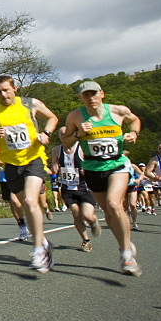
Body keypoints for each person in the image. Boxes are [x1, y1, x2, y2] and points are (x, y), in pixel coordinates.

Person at [60, 81, 142, 276]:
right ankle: (124, 242)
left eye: (93, 94)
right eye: (86, 95)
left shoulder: (118, 111)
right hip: (92, 168)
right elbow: (65, 140)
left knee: (115, 205)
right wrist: (80, 133)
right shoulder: (75, 116)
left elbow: (135, 120)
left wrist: (133, 133)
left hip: (117, 164)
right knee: (108, 212)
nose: (90, 98)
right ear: (81, 98)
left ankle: (126, 255)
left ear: (102, 94)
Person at [0, 75, 58, 272]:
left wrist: (46, 134)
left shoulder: (30, 104)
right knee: (26, 205)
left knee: (32, 201)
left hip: (33, 158)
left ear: (14, 88)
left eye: (6, 90)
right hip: (11, 164)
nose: (2, 94)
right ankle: (43, 243)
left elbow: (52, 118)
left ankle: (39, 248)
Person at [49, 127, 101, 252]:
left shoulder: (82, 147)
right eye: (61, 134)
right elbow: (54, 165)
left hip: (84, 187)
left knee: (87, 215)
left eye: (65, 134)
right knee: (76, 214)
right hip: (67, 187)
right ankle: (86, 240)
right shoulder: (56, 150)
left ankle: (93, 222)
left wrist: (86, 170)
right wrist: (54, 168)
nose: (63, 136)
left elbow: (92, 163)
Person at [0, 140, 29, 241]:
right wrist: (0, 163)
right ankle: (22, 225)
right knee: (12, 202)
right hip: (3, 176)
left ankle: (29, 219)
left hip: (17, 173)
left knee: (16, 200)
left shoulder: (13, 139)